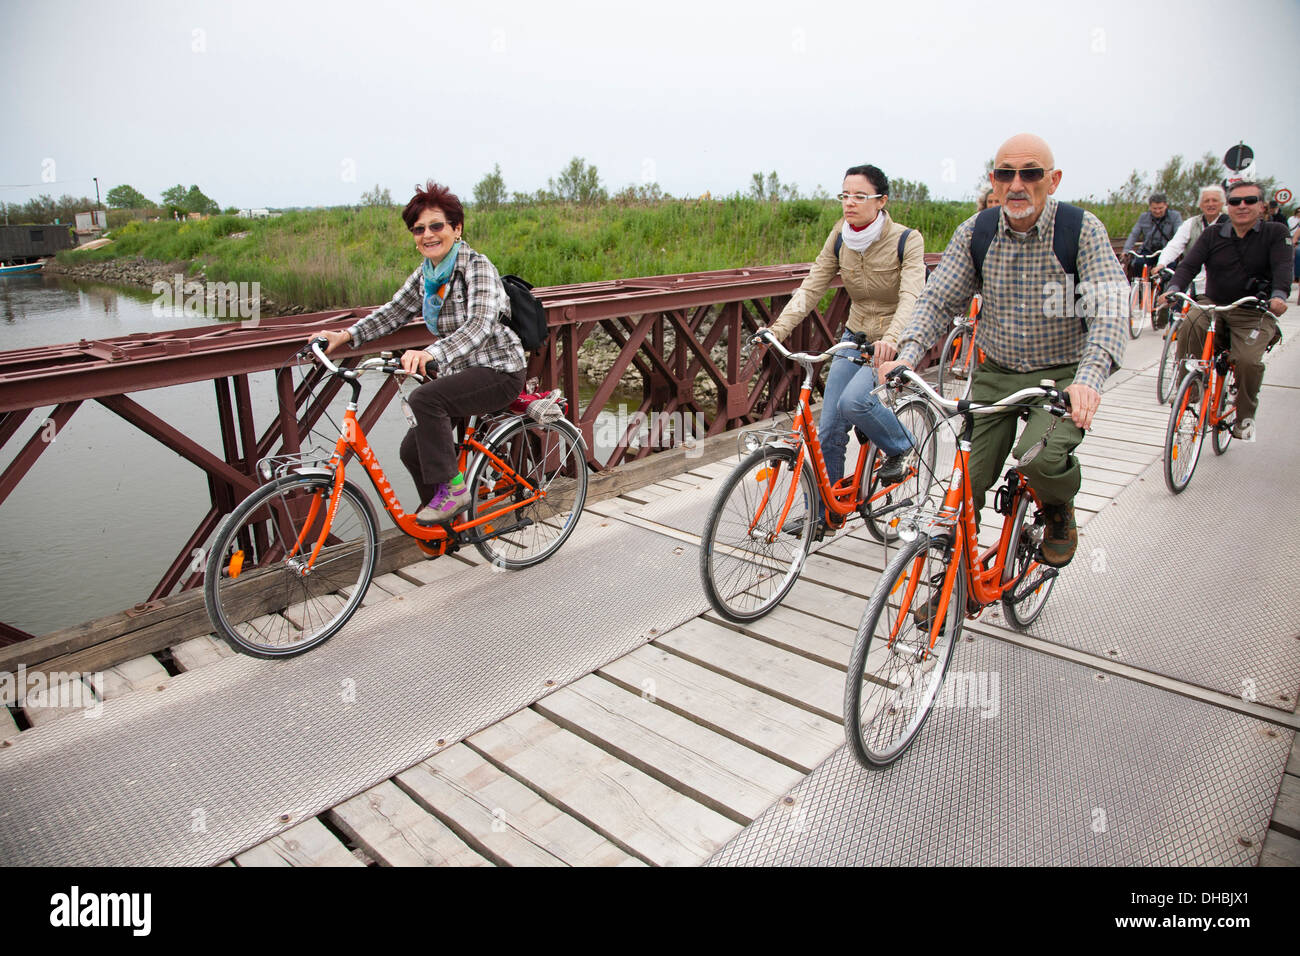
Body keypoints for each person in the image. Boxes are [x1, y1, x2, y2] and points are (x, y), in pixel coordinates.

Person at [882, 133, 1128, 568]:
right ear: (993, 182)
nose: (1017, 184)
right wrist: (909, 352)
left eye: (1031, 173)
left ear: (1053, 181)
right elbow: (939, 299)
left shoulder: (1080, 230)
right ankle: (952, 588)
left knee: (1041, 460)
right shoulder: (976, 232)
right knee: (964, 488)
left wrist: (1088, 381)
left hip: (1063, 375)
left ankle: (1057, 509)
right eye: (1004, 174)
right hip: (997, 372)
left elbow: (1109, 312)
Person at [315, 181, 527, 523]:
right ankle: (447, 525)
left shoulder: (477, 267)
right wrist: (345, 336)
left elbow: (479, 325)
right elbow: (393, 312)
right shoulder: (427, 276)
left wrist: (432, 354)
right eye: (418, 229)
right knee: (411, 452)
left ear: (456, 229)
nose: (427, 234)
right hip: (461, 373)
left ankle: (456, 493)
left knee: (425, 400)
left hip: (499, 370)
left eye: (436, 226)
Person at [757, 164, 926, 492]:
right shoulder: (840, 237)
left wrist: (892, 339)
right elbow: (811, 287)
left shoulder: (907, 240)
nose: (850, 203)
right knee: (830, 428)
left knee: (854, 402)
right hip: (855, 338)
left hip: (893, 340)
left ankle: (902, 447)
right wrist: (776, 330)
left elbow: (911, 297)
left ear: (881, 201)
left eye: (860, 196)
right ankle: (823, 516)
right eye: (845, 195)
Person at [1160, 180, 1292, 442]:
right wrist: (1174, 286)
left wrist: (1279, 296)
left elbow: (1283, 269)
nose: (1242, 206)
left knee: (1248, 361)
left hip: (1254, 310)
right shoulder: (1213, 234)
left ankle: (1244, 417)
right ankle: (1190, 390)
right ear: (1228, 206)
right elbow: (1189, 265)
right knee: (1189, 324)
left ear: (1262, 206)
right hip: (1214, 304)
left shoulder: (1275, 233)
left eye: (1249, 200)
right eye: (1235, 201)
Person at [1154, 184, 1228, 323]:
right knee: (1178, 305)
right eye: (1206, 201)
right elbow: (1175, 245)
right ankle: (1172, 326)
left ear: (1223, 203)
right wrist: (1162, 263)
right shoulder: (1191, 223)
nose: (1210, 204)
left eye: (1215, 200)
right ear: (1200, 204)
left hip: (1219, 280)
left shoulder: (1230, 224)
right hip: (1194, 274)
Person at [1122, 192, 1183, 277]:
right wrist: (1126, 250)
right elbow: (1134, 234)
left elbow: (1179, 234)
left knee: (1170, 269)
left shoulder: (1175, 216)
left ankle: (1166, 289)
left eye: (1160, 208)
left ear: (1166, 206)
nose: (1157, 211)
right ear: (1150, 207)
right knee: (1138, 265)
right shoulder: (1144, 217)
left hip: (1166, 250)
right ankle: (1141, 289)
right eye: (1154, 208)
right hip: (1148, 250)